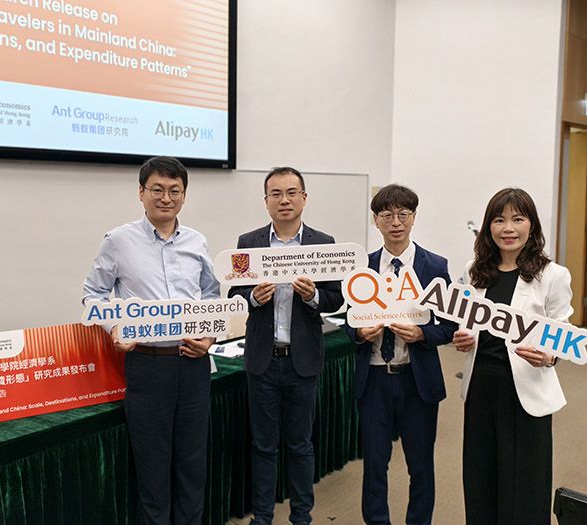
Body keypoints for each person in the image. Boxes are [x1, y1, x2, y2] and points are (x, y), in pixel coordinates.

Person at [82, 156, 220, 525]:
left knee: (192, 466)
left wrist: (208, 334)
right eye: (157, 189)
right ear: (141, 193)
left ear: (184, 196)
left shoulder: (197, 241)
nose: (166, 198)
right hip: (148, 365)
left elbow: (210, 294)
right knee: (153, 470)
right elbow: (93, 294)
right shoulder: (119, 241)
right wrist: (114, 327)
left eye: (175, 190)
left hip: (194, 365)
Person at [227, 167, 343, 525]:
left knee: (300, 445)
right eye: (276, 194)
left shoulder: (323, 243)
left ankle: (301, 518)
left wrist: (313, 297)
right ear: (266, 201)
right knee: (263, 445)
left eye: (292, 192)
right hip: (263, 360)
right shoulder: (249, 242)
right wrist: (253, 297)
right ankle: (262, 518)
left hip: (302, 361)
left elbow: (336, 298)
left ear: (304, 198)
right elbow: (234, 295)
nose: (284, 200)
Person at [453, 188, 572, 525]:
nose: (508, 228)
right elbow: (469, 321)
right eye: (499, 220)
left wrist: (549, 356)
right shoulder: (475, 269)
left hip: (525, 391)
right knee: (480, 478)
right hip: (480, 388)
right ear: (488, 226)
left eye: (517, 219)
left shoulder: (552, 275)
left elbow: (561, 332)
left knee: (525, 484)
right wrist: (463, 337)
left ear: (531, 226)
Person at [347, 184, 455, 525]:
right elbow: (349, 322)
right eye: (387, 215)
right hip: (374, 379)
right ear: (376, 220)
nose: (396, 222)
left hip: (416, 380)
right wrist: (360, 333)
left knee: (420, 466)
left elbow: (449, 326)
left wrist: (423, 334)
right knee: (374, 465)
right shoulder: (362, 267)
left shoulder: (434, 266)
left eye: (403, 214)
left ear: (413, 217)